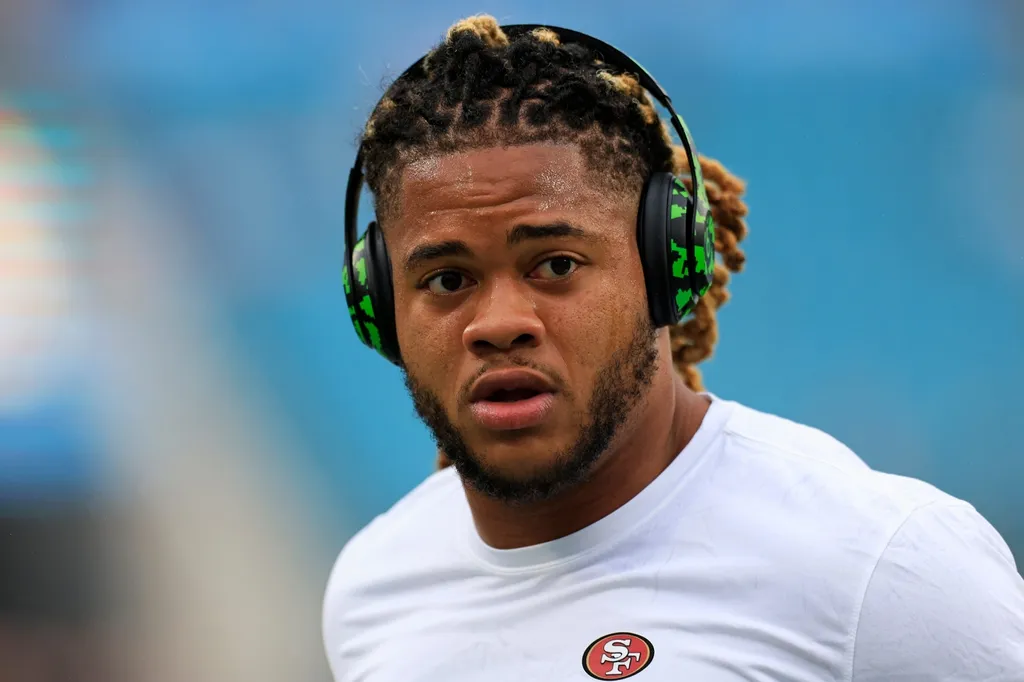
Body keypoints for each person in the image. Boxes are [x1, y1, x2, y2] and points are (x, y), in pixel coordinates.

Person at [323, 16, 1024, 681]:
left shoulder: (887, 568)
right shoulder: (374, 587)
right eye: (447, 280)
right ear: (380, 306)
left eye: (556, 264)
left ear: (668, 266)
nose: (500, 322)